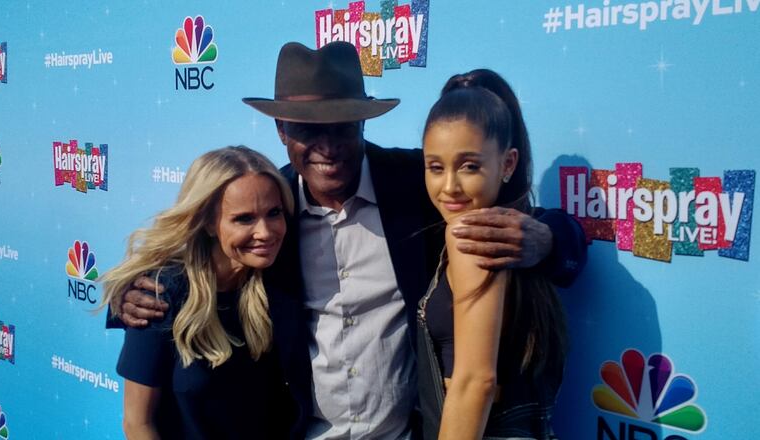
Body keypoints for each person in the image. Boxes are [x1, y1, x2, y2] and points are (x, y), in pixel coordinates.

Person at [113, 42, 587, 439]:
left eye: (341, 124)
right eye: (306, 129)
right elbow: (202, 265)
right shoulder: (270, 211)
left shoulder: (414, 184)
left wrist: (546, 242)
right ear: (281, 131)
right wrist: (130, 300)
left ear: (364, 122)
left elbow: (530, 219)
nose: (327, 144)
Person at [101, 146, 298, 439]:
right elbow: (137, 423)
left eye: (274, 213)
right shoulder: (160, 293)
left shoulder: (279, 282)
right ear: (207, 222)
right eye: (244, 218)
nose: (266, 232)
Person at [417, 69, 568, 440]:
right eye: (436, 167)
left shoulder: (471, 233)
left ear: (508, 163)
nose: (449, 186)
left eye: (470, 166)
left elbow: (475, 382)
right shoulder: (512, 231)